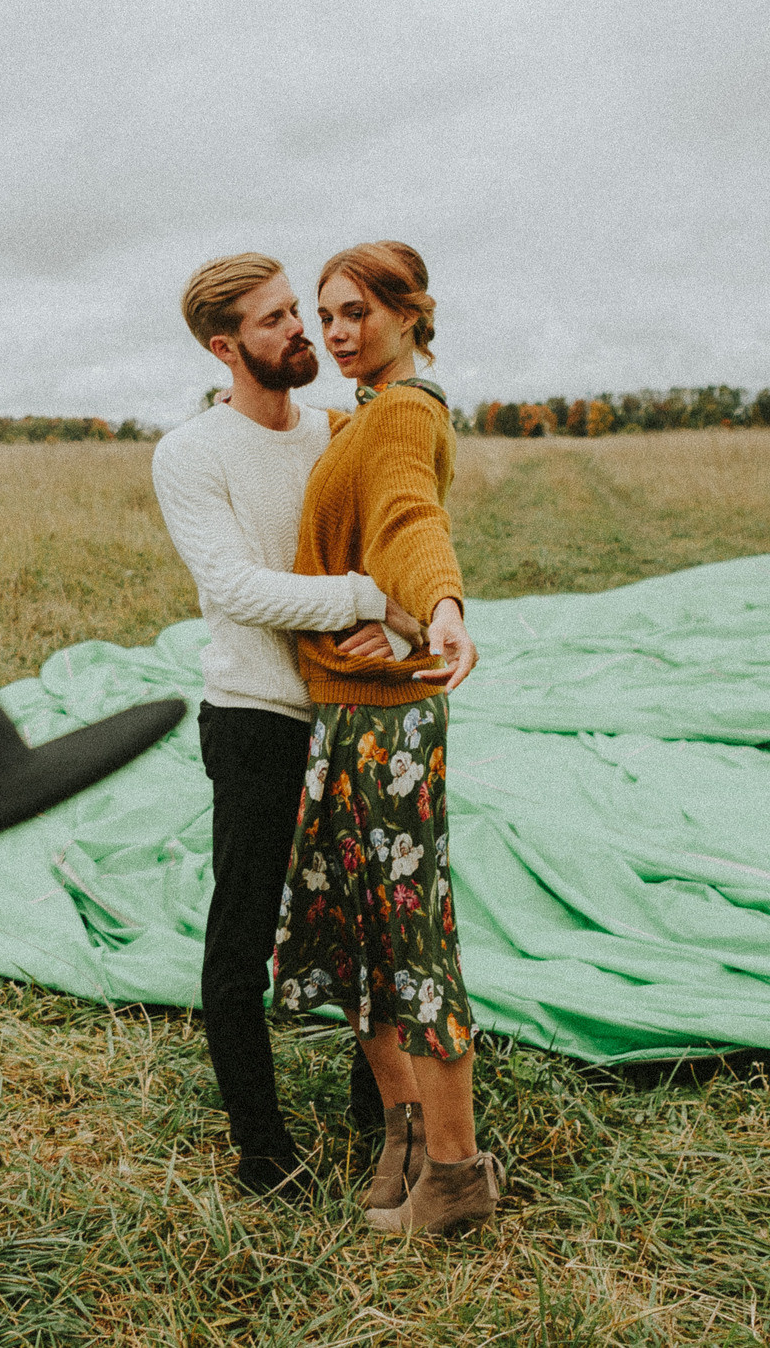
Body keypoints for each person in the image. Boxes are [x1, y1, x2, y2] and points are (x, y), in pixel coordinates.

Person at [151, 253, 430, 1200]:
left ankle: (379, 1115)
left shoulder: (339, 431)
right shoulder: (191, 452)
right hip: (255, 719)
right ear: (227, 347)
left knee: (369, 928)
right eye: (276, 323)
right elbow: (232, 586)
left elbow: (400, 537)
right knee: (242, 941)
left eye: (298, 315)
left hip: (349, 718)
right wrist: (364, 599)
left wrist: (400, 624)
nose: (302, 334)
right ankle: (264, 1149)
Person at [274, 239, 500, 1236]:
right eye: (324, 316)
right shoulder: (363, 413)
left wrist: (435, 606)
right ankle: (405, 1134)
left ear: (413, 314)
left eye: (354, 313)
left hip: (386, 722)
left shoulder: (404, 410)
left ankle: (454, 1174)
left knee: (408, 939)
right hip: (349, 710)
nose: (333, 333)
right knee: (364, 935)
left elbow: (409, 516)